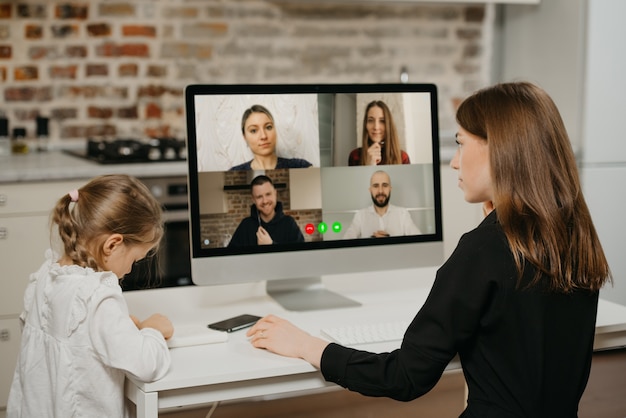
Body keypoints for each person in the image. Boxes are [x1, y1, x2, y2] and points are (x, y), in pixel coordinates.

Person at [246, 82, 611, 417]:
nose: (453, 160)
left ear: (499, 149)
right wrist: (496, 218)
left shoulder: (484, 250)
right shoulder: (575, 237)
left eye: (461, 142)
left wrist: (307, 345)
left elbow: (405, 376)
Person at [7, 174, 174, 418]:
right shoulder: (98, 296)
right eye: (134, 260)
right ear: (112, 245)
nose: (129, 270)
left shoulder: (44, 276)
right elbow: (145, 365)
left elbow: (73, 340)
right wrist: (153, 331)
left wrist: (121, 328)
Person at [228, 174, 305, 247]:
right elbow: (231, 256)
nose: (265, 201)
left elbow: (300, 256)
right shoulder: (245, 225)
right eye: (259, 197)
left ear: (275, 193)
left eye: (268, 194)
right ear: (253, 200)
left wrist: (271, 244)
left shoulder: (289, 223)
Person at [230, 104, 312, 170]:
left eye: (268, 127)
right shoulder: (234, 172)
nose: (263, 136)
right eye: (254, 130)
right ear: (245, 137)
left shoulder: (300, 166)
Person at [342, 170, 421, 239]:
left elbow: (419, 241)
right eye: (376, 186)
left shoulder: (402, 214)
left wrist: (390, 242)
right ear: (370, 190)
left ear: (390, 189)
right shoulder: (360, 216)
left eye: (385, 185)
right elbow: (345, 243)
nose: (380, 191)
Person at [348, 100, 411, 166]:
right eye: (370, 120)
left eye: (382, 121)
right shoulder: (355, 156)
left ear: (388, 125)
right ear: (365, 125)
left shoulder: (402, 157)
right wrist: (369, 166)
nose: (376, 127)